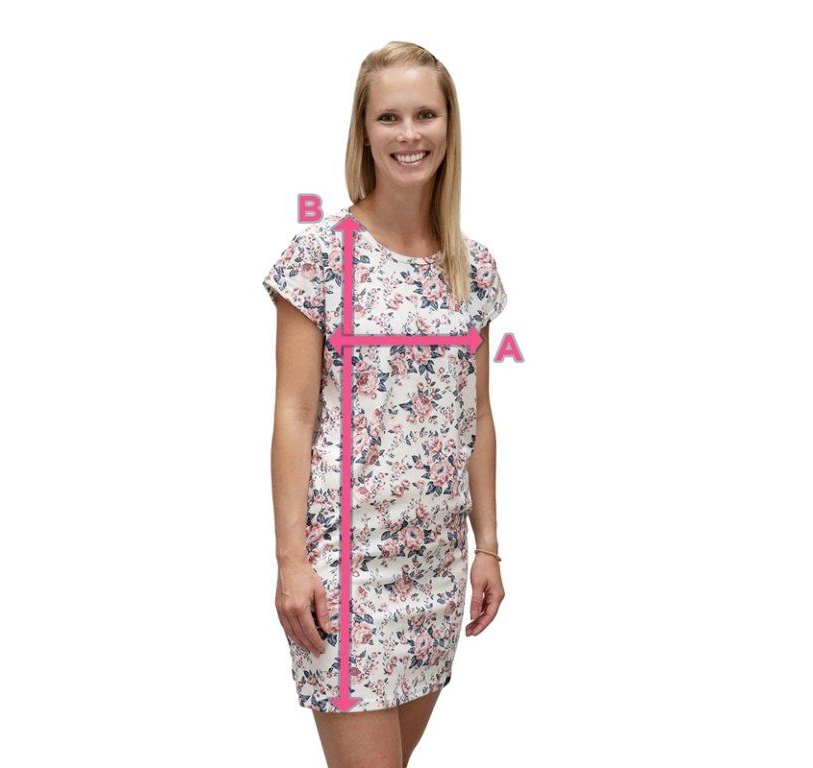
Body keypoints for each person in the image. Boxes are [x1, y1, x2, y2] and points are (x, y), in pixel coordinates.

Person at [262, 41, 508, 767]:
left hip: (435, 567)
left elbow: (477, 416)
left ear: (449, 125)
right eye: (389, 117)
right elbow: (293, 417)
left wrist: (488, 545)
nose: (409, 134)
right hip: (347, 572)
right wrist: (290, 562)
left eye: (425, 114)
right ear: (363, 131)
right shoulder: (319, 258)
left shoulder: (473, 268)